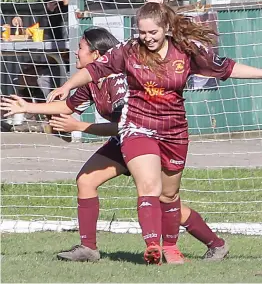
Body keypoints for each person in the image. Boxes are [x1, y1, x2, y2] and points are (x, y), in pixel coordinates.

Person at [46, 0, 262, 265]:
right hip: (138, 127)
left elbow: (227, 68)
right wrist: (67, 86)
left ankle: (206, 245)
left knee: (169, 195)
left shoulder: (186, 51)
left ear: (166, 29)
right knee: (148, 185)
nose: (146, 37)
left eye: (153, 32)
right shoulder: (129, 50)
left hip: (174, 131)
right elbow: (94, 70)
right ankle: (152, 246)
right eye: (142, 32)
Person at [1, 26, 228, 265]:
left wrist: (81, 128)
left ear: (97, 55)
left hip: (146, 139)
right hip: (122, 143)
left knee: (165, 200)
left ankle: (216, 244)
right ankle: (88, 248)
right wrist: (26, 107)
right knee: (86, 181)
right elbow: (66, 107)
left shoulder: (120, 82)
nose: (76, 53)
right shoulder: (92, 82)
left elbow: (125, 125)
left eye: (80, 48)